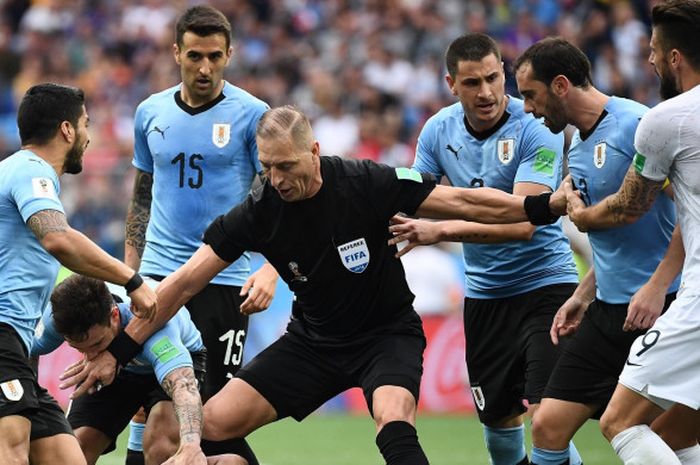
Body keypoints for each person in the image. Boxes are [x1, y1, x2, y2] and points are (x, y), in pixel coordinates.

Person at [62, 105, 570, 465]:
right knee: (206, 426)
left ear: (314, 152)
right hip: (313, 344)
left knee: (393, 423)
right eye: (266, 167)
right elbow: (180, 285)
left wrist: (539, 207)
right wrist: (120, 350)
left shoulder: (367, 181)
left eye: (286, 165)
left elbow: (461, 201)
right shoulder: (259, 211)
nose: (277, 178)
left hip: (385, 336)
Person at [388, 33, 580, 465]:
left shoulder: (537, 126)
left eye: (494, 78)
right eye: (472, 82)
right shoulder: (438, 129)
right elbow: (414, 196)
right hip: (485, 296)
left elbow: (526, 222)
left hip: (545, 287)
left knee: (549, 420)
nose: (488, 92)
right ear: (452, 84)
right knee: (498, 427)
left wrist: (440, 232)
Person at [512, 37, 682, 465]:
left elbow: (689, 215)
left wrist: (658, 286)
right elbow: (613, 240)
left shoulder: (636, 125)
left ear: (562, 85)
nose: (528, 108)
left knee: (661, 435)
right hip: (608, 311)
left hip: (663, 306)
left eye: (531, 95)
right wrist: (582, 295)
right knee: (547, 425)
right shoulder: (579, 146)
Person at [123, 6, 277, 463]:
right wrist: (129, 274)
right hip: (158, 278)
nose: (204, 67)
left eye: (214, 56)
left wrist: (270, 268)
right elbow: (141, 199)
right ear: (176, 53)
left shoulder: (253, 115)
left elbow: (279, 201)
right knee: (151, 408)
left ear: (229, 54)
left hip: (223, 282)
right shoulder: (150, 112)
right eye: (194, 56)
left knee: (208, 421)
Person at [561, 1, 700, 463]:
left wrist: (579, 215)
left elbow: (627, 206)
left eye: (656, 50)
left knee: (620, 422)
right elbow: (688, 213)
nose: (651, 60)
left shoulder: (665, 120)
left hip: (697, 302)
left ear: (676, 57)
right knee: (678, 433)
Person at [0, 83, 157, 464]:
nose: (89, 136)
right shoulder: (29, 170)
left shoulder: (12, 171)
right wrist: (131, 280)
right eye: (86, 124)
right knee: (10, 452)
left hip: (14, 347)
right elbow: (58, 238)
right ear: (68, 130)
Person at [31, 274, 231, 465]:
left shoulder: (159, 332)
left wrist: (190, 445)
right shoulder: (57, 319)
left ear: (114, 315)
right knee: (73, 452)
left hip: (174, 364)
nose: (91, 357)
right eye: (79, 348)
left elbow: (183, 386)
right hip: (122, 372)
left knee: (160, 447)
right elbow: (19, 350)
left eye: (97, 344)